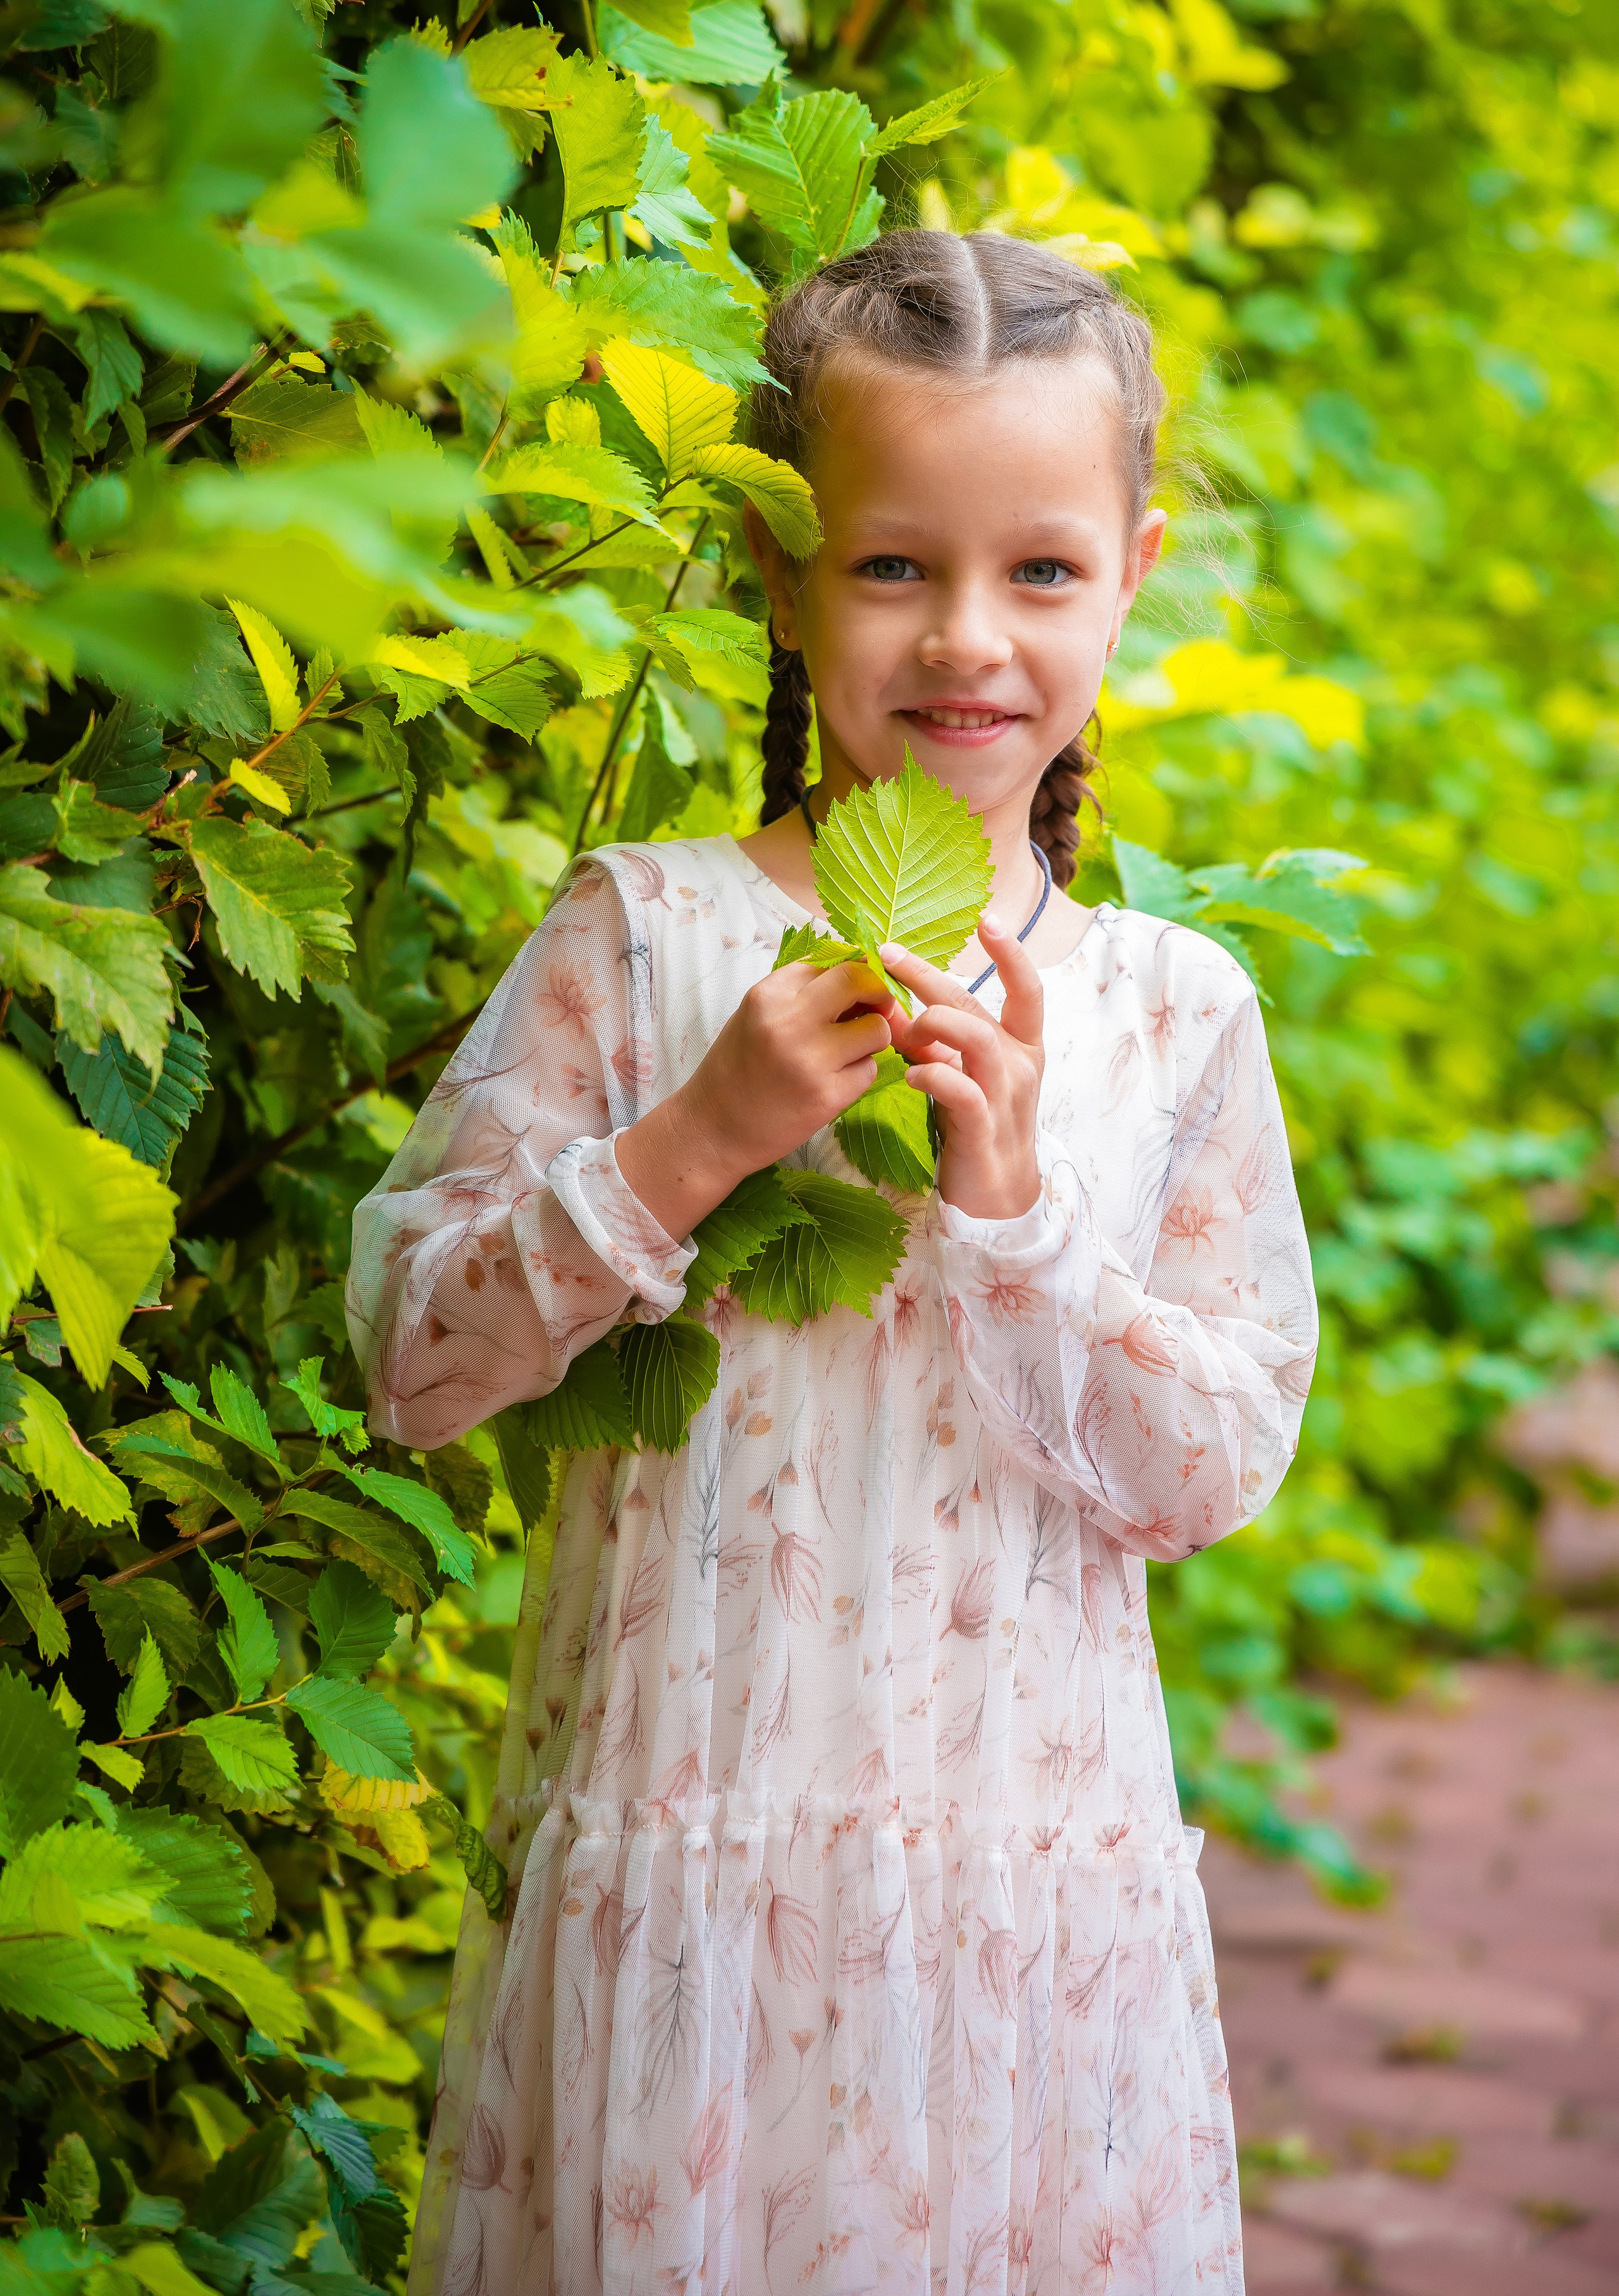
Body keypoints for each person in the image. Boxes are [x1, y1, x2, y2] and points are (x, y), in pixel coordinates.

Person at [349, 228, 1319, 2296]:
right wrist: (694, 1141)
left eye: (1040, 571)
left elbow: (1214, 1468)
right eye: (892, 566)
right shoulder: (646, 933)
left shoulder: (1170, 1012)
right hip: (689, 1896)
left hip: (1026, 1925)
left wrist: (1022, 1216)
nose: (966, 638)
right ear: (785, 578)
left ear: (1131, 574)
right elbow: (416, 1364)